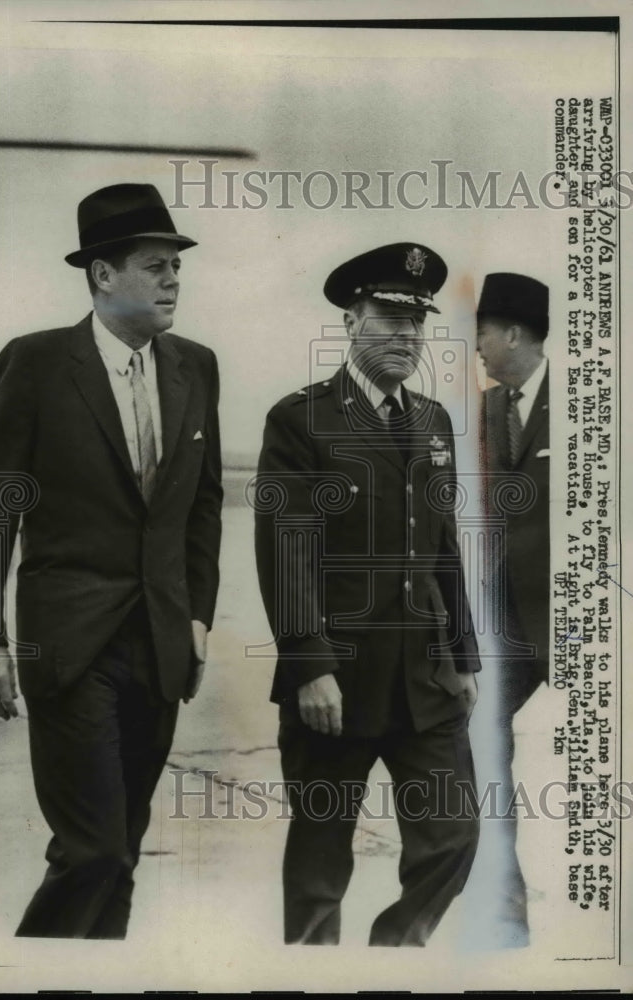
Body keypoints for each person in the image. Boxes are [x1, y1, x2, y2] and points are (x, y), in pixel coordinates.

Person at [0, 183, 223, 938]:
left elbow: (201, 506)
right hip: (71, 645)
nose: (174, 278)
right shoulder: (39, 363)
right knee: (93, 850)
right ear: (102, 275)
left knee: (123, 853)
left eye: (176, 265)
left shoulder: (196, 367)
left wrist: (198, 616)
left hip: (162, 644)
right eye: (154, 264)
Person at [254, 243, 481, 946]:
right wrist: (308, 665)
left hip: (425, 677)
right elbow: (284, 549)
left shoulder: (434, 422)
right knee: (320, 865)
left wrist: (465, 657)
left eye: (416, 323)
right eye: (389, 318)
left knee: (453, 835)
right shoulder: (300, 419)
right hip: (337, 683)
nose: (406, 336)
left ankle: (392, 954)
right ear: (351, 321)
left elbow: (442, 547)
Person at [476, 271, 549, 946]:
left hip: (580, 627)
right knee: (483, 737)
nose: (477, 348)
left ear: (514, 333)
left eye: (482, 334)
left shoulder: (594, 402)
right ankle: (504, 895)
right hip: (507, 627)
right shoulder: (485, 411)